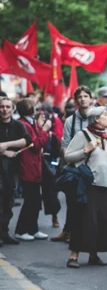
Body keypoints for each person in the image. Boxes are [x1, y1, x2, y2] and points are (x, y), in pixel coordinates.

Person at [65, 107, 107, 268]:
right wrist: (85, 150)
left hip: (105, 184)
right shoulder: (83, 135)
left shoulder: (106, 137)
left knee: (101, 221)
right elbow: (68, 155)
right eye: (105, 115)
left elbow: (105, 161)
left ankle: (93, 254)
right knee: (83, 219)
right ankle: (73, 256)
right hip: (88, 184)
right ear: (96, 119)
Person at [53, 86, 94, 244]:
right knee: (72, 201)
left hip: (93, 166)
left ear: (90, 98)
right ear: (76, 100)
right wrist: (71, 160)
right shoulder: (71, 120)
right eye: (80, 97)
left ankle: (83, 234)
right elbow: (65, 145)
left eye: (86, 96)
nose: (83, 99)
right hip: (75, 165)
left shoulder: (98, 117)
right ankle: (68, 231)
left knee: (88, 202)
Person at [15, 99, 51, 241]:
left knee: (35, 199)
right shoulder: (25, 124)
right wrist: (45, 130)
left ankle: (32, 228)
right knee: (31, 199)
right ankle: (21, 229)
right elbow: (36, 144)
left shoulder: (29, 122)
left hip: (34, 165)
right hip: (28, 165)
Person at [0, 96, 31, 246]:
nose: (4, 110)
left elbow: (27, 140)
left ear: (12, 109)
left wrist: (6, 145)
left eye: (7, 107)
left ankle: (4, 233)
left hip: (11, 170)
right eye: (2, 106)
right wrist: (5, 152)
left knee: (8, 203)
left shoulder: (18, 125)